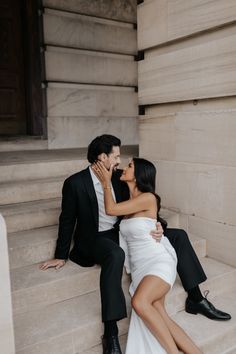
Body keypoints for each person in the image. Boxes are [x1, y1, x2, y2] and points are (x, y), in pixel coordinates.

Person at [40, 134, 230, 354]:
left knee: (178, 235)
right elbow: (67, 219)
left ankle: (195, 298)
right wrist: (61, 254)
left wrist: (158, 225)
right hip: (96, 238)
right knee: (115, 255)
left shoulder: (121, 177)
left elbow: (142, 205)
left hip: (122, 230)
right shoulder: (75, 183)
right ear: (102, 157)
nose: (120, 161)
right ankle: (110, 333)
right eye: (116, 156)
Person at [93, 157, 203, 353]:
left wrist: (105, 183)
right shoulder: (131, 201)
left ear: (139, 174)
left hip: (157, 262)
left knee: (139, 302)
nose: (125, 168)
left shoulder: (148, 197)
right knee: (161, 316)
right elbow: (143, 226)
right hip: (139, 268)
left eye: (130, 166)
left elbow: (111, 209)